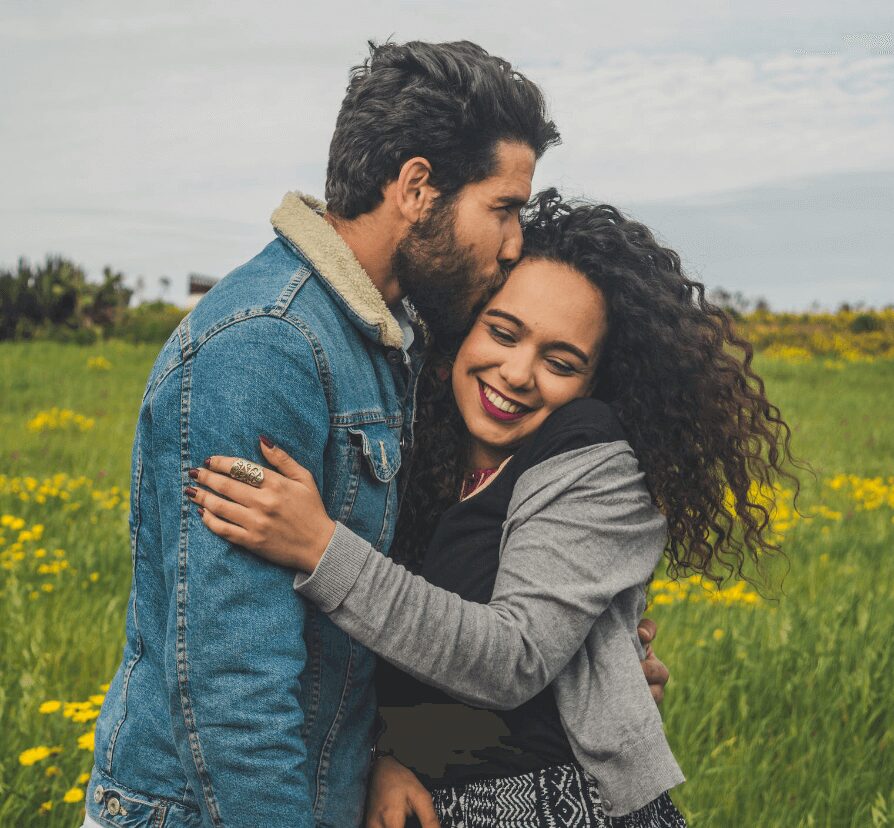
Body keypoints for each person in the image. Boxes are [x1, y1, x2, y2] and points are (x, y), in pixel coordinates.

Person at [83, 42, 669, 828]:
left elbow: (357, 634)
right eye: (503, 207)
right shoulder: (267, 347)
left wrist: (381, 757)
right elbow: (233, 687)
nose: (515, 241)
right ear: (418, 188)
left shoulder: (392, 338)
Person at [189, 191, 798, 826]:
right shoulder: (416, 450)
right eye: (503, 332)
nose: (517, 372)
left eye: (560, 362)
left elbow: (512, 659)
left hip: (560, 807)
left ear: (594, 383)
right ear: (463, 327)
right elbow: (388, 648)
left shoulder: (595, 459)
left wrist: (319, 547)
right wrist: (386, 755)